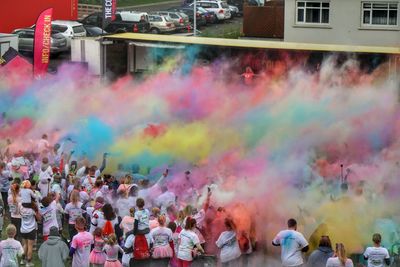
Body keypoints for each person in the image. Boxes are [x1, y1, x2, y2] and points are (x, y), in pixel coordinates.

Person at [19, 199, 41, 267]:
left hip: (23, 229)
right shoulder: (32, 210)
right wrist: (37, 211)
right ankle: (28, 263)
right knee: (30, 246)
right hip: (31, 230)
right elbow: (39, 219)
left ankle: (22, 260)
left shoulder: (21, 208)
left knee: (25, 244)